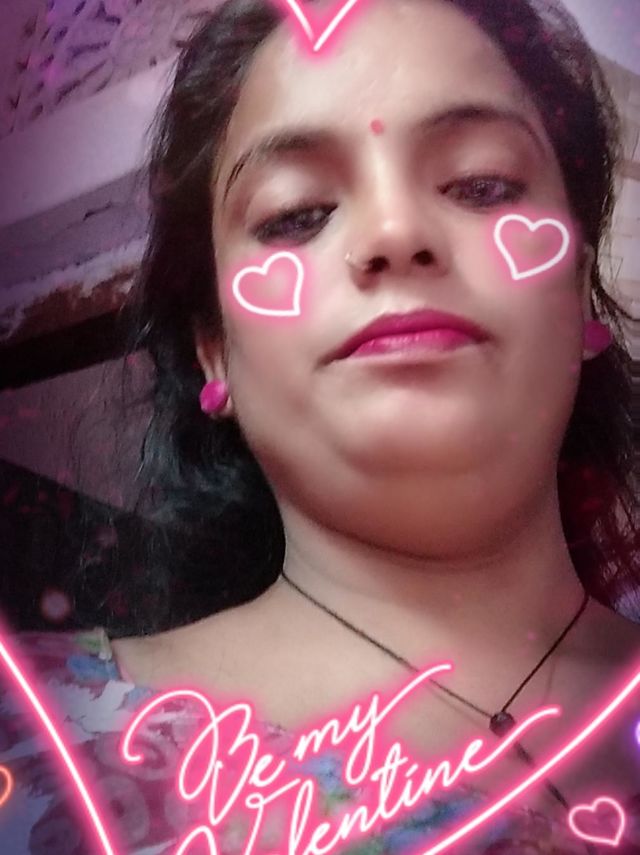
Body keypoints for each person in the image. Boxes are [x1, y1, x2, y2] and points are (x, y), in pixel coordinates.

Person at [1, 0, 639, 852]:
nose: (395, 231)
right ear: (214, 350)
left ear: (578, 287)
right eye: (296, 213)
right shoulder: (31, 738)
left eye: (481, 183)